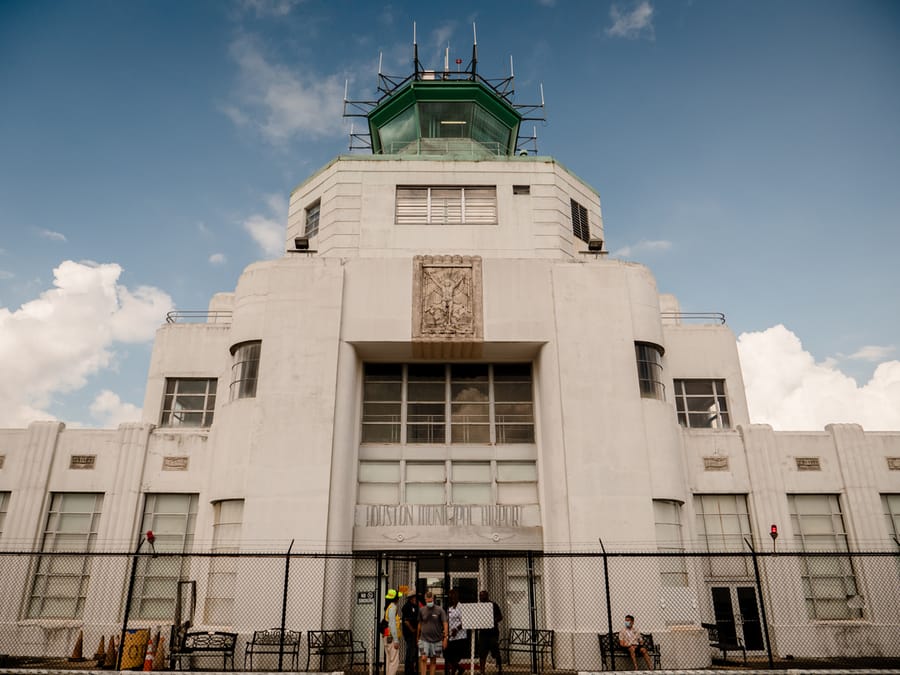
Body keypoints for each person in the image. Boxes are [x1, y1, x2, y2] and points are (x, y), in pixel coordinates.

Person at [417, 591, 448, 675]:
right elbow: (419, 624)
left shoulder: (440, 610)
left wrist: (445, 638)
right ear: (425, 600)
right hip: (424, 639)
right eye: (428, 601)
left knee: (433, 660)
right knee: (423, 658)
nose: (429, 603)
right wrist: (417, 637)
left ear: (433, 600)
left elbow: (445, 623)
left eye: (431, 601)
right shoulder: (422, 610)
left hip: (436, 639)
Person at [476, 590, 503, 674]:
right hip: (483, 633)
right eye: (480, 596)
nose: (481, 597)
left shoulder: (493, 605)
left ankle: (499, 666)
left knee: (495, 649)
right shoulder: (478, 606)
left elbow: (500, 616)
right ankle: (482, 670)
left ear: (487, 596)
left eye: (483, 596)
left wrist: (493, 621)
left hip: (493, 632)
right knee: (482, 652)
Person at [445, 589, 467, 675]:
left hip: (460, 637)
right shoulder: (449, 608)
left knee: (455, 657)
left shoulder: (461, 607)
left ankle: (454, 672)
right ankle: (460, 669)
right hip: (451, 636)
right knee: (447, 655)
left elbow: (465, 621)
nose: (450, 598)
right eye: (449, 596)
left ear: (456, 596)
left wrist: (456, 629)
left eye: (452, 595)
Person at [383, 589, 402, 675]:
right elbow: (392, 624)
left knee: (389, 660)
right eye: (398, 597)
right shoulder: (393, 607)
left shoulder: (388, 607)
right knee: (394, 661)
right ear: (395, 598)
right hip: (392, 638)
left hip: (387, 636)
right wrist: (396, 640)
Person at [401, 592, 420, 674]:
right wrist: (412, 630)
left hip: (415, 633)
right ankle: (408, 671)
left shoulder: (415, 606)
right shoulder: (406, 607)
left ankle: (413, 670)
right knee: (410, 652)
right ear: (411, 598)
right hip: (409, 633)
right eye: (414, 597)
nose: (416, 598)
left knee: (414, 652)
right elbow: (406, 621)